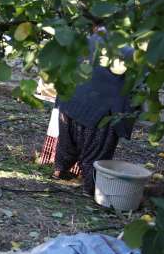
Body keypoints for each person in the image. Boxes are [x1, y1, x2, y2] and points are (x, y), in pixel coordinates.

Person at [52, 33, 135, 195]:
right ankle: (91, 188)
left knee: (67, 142)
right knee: (97, 152)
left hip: (70, 99)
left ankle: (59, 171)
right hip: (101, 108)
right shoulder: (130, 51)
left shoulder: (90, 37)